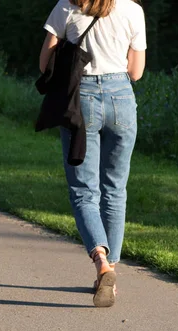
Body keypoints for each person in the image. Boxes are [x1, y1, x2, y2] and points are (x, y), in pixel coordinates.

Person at [40, 0, 146, 307]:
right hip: (122, 100)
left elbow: (44, 63)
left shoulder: (68, 6)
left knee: (84, 190)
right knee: (115, 189)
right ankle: (109, 274)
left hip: (81, 99)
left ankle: (101, 258)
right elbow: (136, 71)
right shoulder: (132, 10)